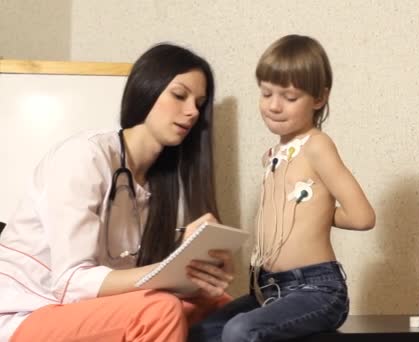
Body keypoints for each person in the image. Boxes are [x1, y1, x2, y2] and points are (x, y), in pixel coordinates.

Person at [0, 43, 236, 341]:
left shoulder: (159, 184)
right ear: (147, 89)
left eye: (199, 104)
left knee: (222, 307)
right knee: (158, 310)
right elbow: (72, 282)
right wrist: (166, 271)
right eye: (179, 95)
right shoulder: (84, 156)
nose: (191, 112)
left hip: (86, 310)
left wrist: (194, 270)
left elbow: (131, 278)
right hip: (24, 313)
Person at [189, 34, 376, 342]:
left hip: (316, 289)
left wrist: (318, 210)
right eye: (266, 94)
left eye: (289, 97)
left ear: (318, 98)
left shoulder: (317, 146)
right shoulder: (274, 155)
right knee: (203, 330)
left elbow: (362, 217)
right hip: (269, 288)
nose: (274, 106)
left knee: (239, 331)